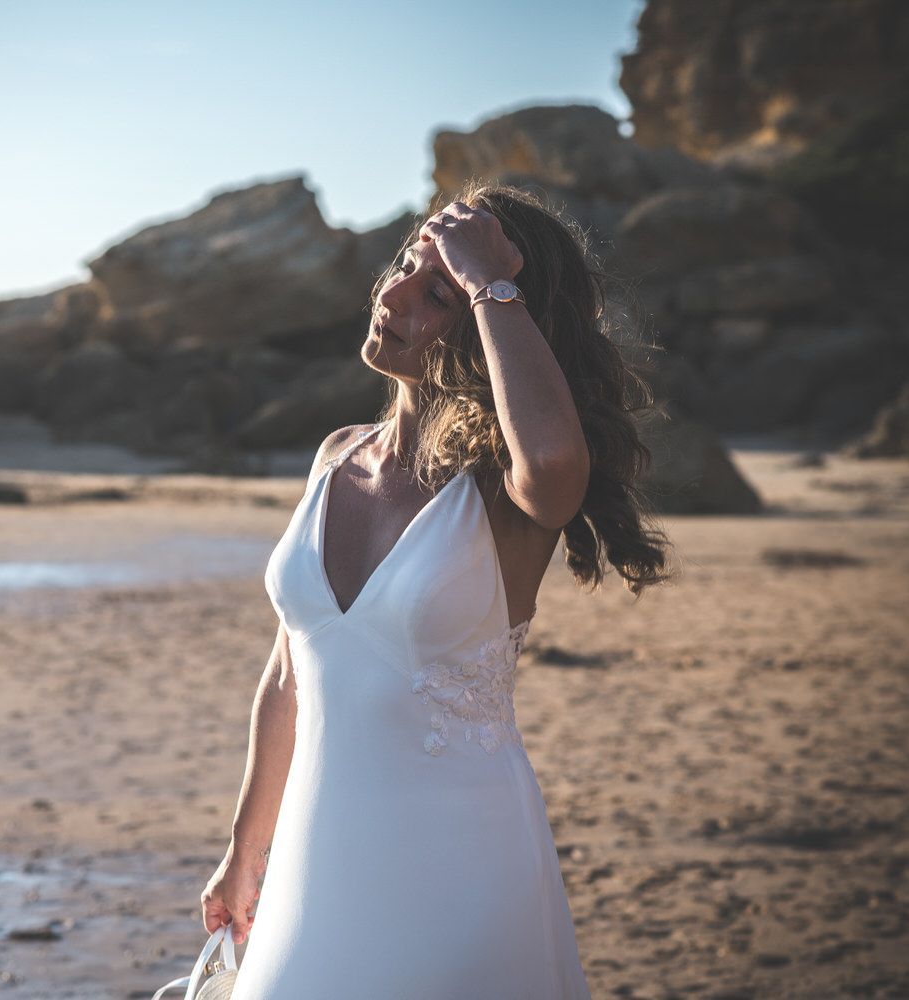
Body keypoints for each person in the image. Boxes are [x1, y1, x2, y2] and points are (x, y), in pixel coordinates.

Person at [204, 179, 673, 997]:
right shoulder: (336, 455)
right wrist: (247, 850)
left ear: (494, 323)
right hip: (318, 863)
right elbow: (289, 675)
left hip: (460, 867)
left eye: (437, 295)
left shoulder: (505, 491)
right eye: (405, 269)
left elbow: (555, 461)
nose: (392, 297)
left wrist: (490, 281)